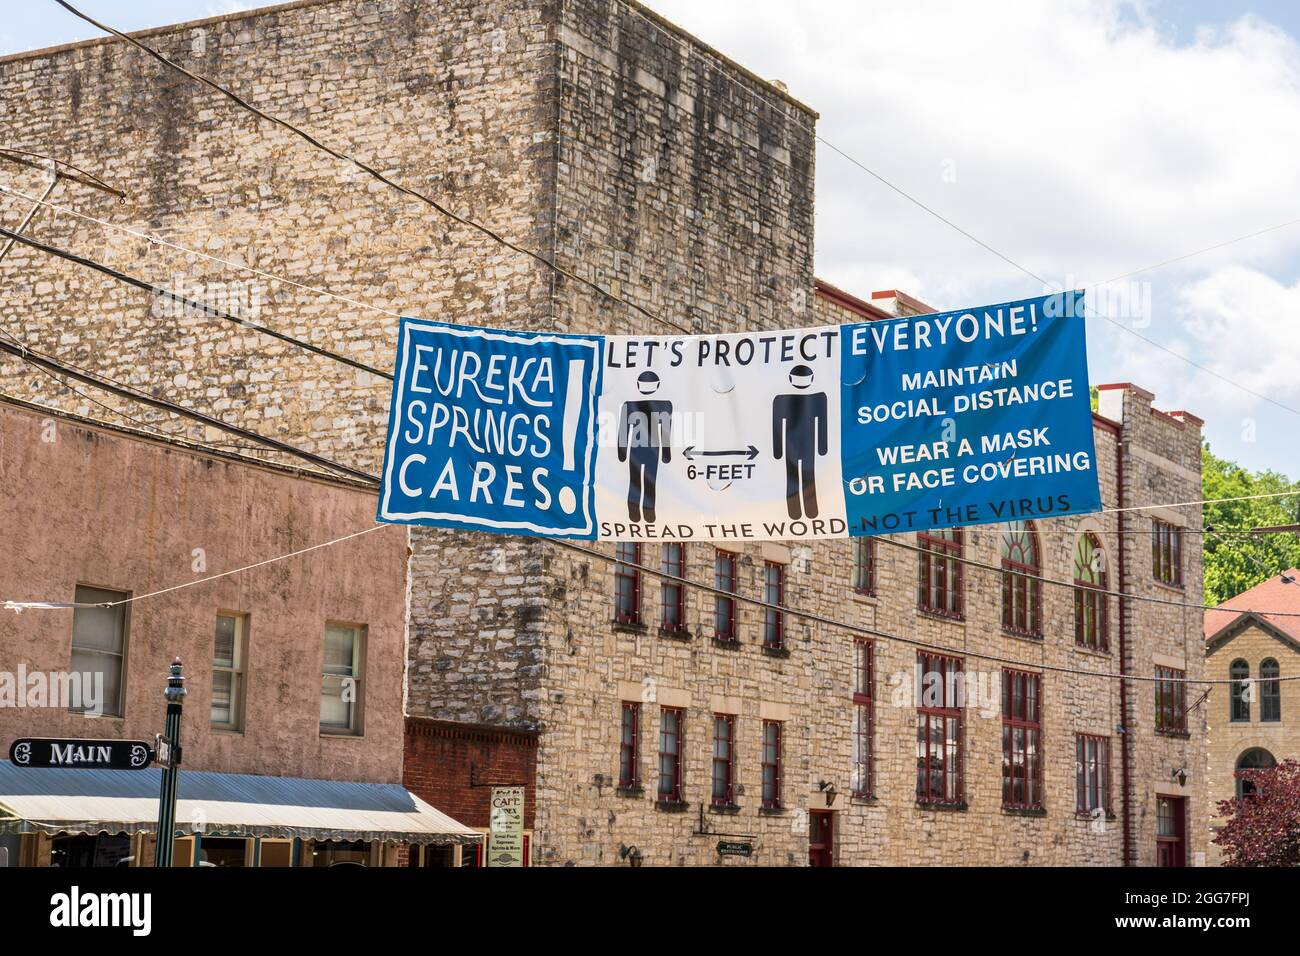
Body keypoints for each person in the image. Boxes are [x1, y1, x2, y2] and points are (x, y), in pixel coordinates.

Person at [772, 364, 828, 519]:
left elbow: (822, 423)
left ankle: (808, 511)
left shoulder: (819, 398)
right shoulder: (781, 399)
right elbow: (776, 426)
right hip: (795, 444)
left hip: (801, 444)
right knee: (795, 479)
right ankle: (797, 511)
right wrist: (778, 450)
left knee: (806, 478)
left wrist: (822, 447)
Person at [617, 371, 673, 523]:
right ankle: (641, 511)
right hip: (646, 450)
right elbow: (665, 431)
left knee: (641, 481)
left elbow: (623, 430)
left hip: (641, 450)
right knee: (643, 481)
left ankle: (644, 511)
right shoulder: (664, 405)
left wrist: (622, 452)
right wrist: (666, 454)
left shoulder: (630, 405)